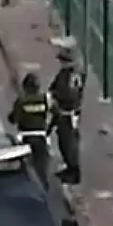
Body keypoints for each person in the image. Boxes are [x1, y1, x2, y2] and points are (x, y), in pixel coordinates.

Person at [48, 44, 84, 183]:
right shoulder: (67, 74)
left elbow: (68, 95)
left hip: (67, 114)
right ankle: (70, 168)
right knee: (64, 141)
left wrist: (55, 97)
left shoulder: (70, 76)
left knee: (68, 143)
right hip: (64, 113)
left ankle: (73, 171)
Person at [8, 71, 52, 180]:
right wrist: (49, 129)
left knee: (23, 168)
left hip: (25, 137)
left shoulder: (21, 101)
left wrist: (11, 117)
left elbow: (14, 119)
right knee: (42, 170)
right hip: (42, 137)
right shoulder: (45, 98)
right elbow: (56, 113)